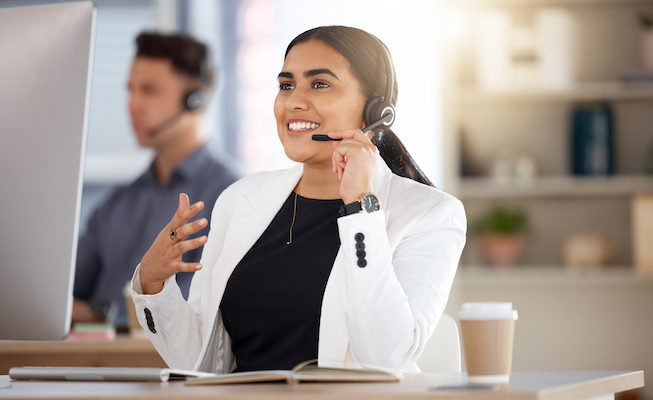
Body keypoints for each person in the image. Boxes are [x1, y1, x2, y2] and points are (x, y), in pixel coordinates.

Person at [131, 26, 466, 373]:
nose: (293, 102)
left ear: (376, 109)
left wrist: (360, 207)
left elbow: (385, 358)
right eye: (286, 85)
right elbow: (203, 365)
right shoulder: (240, 199)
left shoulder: (432, 215)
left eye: (319, 84)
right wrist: (154, 285)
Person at [73, 32, 239, 325]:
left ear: (194, 99)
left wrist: (102, 315)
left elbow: (192, 314)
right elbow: (64, 297)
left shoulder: (233, 197)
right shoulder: (115, 205)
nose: (132, 105)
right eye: (131, 90)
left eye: (149, 90)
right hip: (94, 363)